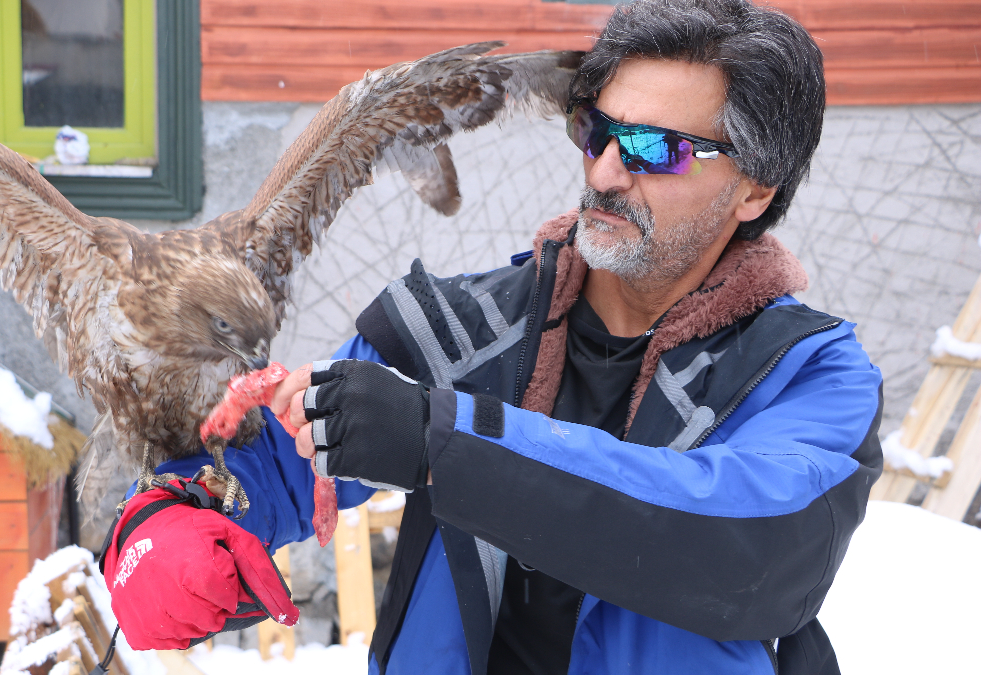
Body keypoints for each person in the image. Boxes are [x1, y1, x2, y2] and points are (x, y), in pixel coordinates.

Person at [116, 1, 883, 673]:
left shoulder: (804, 373)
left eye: (655, 148)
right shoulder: (456, 334)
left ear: (755, 188)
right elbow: (273, 465)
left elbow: (746, 552)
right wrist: (165, 524)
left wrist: (443, 442)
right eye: (598, 131)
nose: (609, 171)